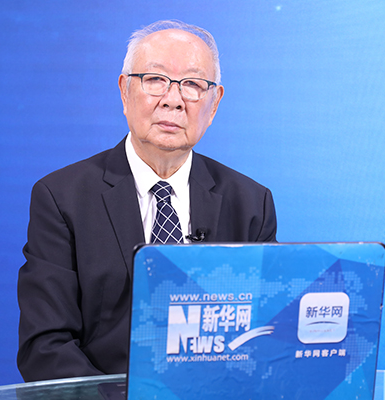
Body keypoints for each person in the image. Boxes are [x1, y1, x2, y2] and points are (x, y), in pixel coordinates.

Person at [16, 20, 277, 382]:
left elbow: (265, 340)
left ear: (214, 103)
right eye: (155, 80)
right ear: (125, 91)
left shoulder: (250, 204)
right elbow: (45, 347)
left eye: (192, 84)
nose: (173, 99)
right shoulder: (62, 198)